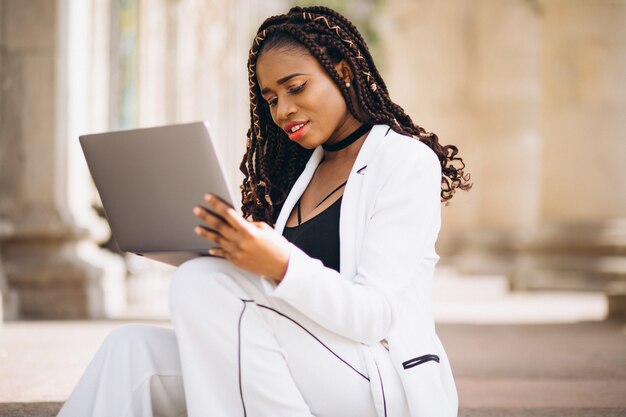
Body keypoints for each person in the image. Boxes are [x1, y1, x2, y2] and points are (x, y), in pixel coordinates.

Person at [57, 5, 471, 417]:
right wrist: (235, 255)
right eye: (271, 98)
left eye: (296, 87)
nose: (282, 110)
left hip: (377, 377)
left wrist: (280, 264)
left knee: (202, 282)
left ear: (343, 72)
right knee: (130, 350)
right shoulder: (299, 174)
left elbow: (373, 318)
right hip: (305, 360)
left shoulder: (404, 160)